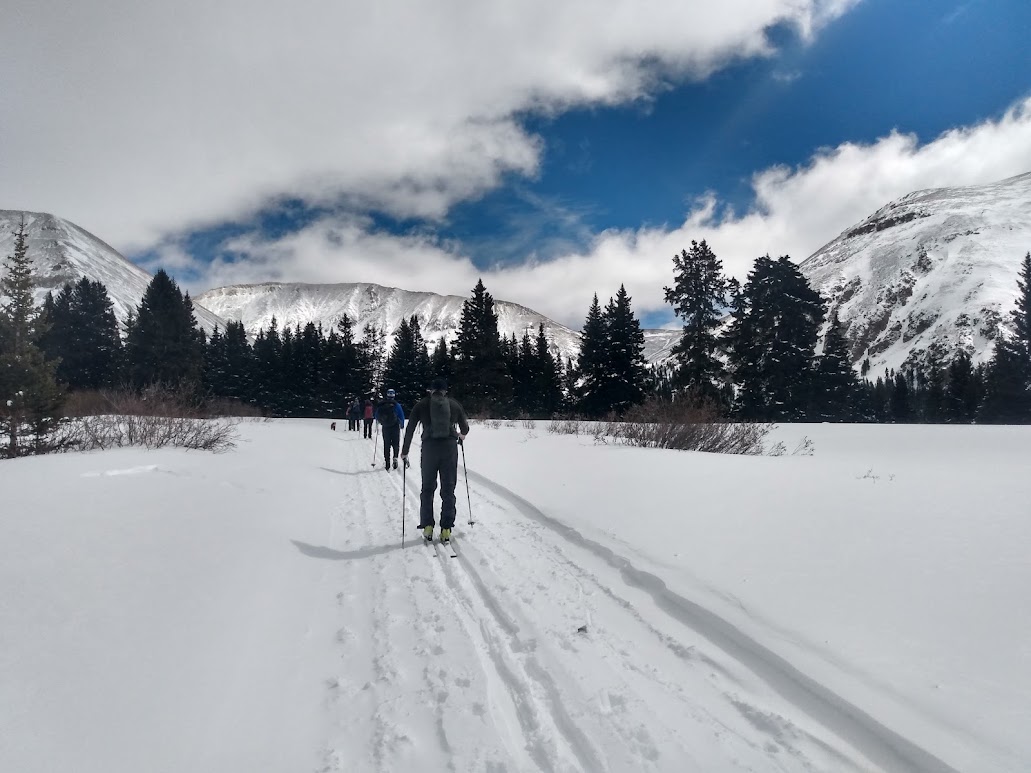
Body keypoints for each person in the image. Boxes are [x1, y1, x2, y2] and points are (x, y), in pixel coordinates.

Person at [400, 377, 470, 544]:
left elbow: (410, 429)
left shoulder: (421, 404)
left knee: (427, 488)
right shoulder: (454, 404)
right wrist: (461, 435)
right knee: (448, 489)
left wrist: (404, 451)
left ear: (431, 390)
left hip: (429, 449)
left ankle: (428, 526)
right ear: (445, 391)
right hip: (449, 449)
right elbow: (465, 428)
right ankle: (446, 529)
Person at [375, 389, 405, 470]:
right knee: (396, 444)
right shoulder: (397, 405)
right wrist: (402, 424)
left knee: (386, 444)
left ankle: (387, 462)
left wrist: (381, 421)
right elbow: (401, 416)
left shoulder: (382, 404)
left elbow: (376, 415)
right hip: (395, 427)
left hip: (385, 427)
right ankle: (395, 458)